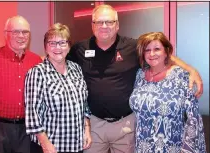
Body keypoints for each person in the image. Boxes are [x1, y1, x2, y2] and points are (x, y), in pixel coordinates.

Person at [67, 4, 204, 153]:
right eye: (99, 22)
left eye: (109, 22)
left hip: (125, 125)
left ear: (117, 25)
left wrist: (191, 70)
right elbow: (59, 59)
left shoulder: (132, 47)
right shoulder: (80, 49)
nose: (104, 26)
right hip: (94, 124)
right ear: (92, 25)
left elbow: (161, 54)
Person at [129, 32, 206, 152]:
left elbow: (193, 119)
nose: (152, 54)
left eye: (157, 49)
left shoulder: (181, 76)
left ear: (166, 52)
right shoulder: (139, 75)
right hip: (142, 146)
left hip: (172, 146)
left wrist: (187, 149)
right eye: (147, 50)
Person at [24, 23, 92, 153]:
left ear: (69, 46)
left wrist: (87, 131)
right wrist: (45, 144)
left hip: (76, 145)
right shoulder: (37, 72)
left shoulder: (76, 69)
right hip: (51, 147)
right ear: (45, 47)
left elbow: (84, 105)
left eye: (62, 42)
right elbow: (32, 115)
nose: (57, 47)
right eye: (52, 43)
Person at [0, 15, 42, 153]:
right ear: (6, 34)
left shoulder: (36, 61)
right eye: (15, 32)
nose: (21, 36)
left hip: (26, 131)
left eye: (25, 32)